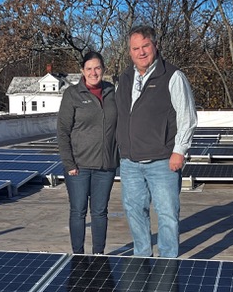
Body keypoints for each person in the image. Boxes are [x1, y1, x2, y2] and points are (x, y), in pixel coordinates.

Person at [116, 25, 197, 258]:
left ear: (155, 46)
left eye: (145, 46)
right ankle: (142, 254)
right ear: (129, 52)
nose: (141, 52)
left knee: (167, 213)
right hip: (130, 161)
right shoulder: (126, 77)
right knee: (134, 211)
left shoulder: (173, 76)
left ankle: (168, 260)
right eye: (135, 48)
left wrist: (179, 151)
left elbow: (187, 117)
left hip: (162, 160)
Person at [57, 51, 118, 254]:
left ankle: (99, 254)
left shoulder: (112, 92)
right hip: (79, 167)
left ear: (103, 69)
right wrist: (69, 164)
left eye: (98, 68)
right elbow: (63, 131)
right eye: (89, 68)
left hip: (105, 166)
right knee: (78, 212)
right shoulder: (72, 94)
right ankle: (79, 255)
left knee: (100, 213)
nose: (94, 72)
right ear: (82, 71)